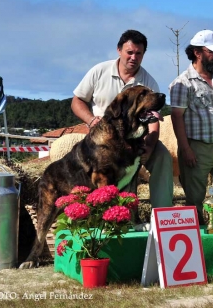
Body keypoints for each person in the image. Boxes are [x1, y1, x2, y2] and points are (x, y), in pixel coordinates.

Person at [71, 29, 175, 208]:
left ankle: (162, 212)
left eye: (139, 53)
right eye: (130, 52)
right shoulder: (99, 71)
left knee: (163, 156)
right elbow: (77, 101)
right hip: (103, 141)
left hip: (136, 140)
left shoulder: (149, 82)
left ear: (143, 55)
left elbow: (153, 122)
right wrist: (90, 120)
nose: (134, 57)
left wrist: (149, 147)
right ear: (119, 50)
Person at [169, 29, 213, 225]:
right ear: (197, 53)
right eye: (212, 51)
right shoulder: (182, 83)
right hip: (196, 149)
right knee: (195, 202)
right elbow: (177, 118)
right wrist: (186, 150)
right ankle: (201, 243)